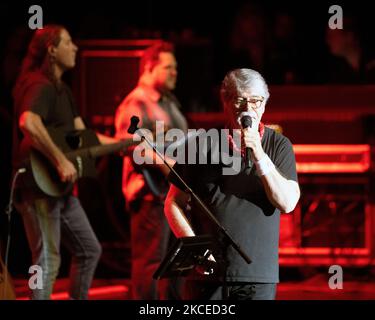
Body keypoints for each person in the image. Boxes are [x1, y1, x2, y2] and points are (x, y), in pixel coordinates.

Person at [164, 68, 300, 300]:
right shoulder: (201, 144)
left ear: (265, 105)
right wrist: (195, 248)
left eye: (256, 101)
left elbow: (287, 203)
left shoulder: (278, 146)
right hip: (207, 275)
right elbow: (173, 203)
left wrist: (259, 154)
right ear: (225, 103)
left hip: (257, 275)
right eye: (240, 101)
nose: (248, 109)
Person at [12, 25, 120, 300]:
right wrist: (60, 160)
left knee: (89, 249)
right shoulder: (39, 85)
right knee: (48, 259)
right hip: (37, 187)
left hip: (59, 189)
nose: (76, 48)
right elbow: (28, 121)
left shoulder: (63, 91)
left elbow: (86, 138)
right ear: (52, 50)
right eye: (69, 42)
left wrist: (127, 143)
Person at [114, 41, 188, 299]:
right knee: (150, 263)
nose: (174, 72)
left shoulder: (168, 102)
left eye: (175, 67)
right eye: (168, 67)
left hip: (171, 196)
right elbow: (131, 147)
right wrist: (167, 166)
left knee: (175, 262)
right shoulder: (136, 103)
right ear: (149, 67)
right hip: (149, 195)